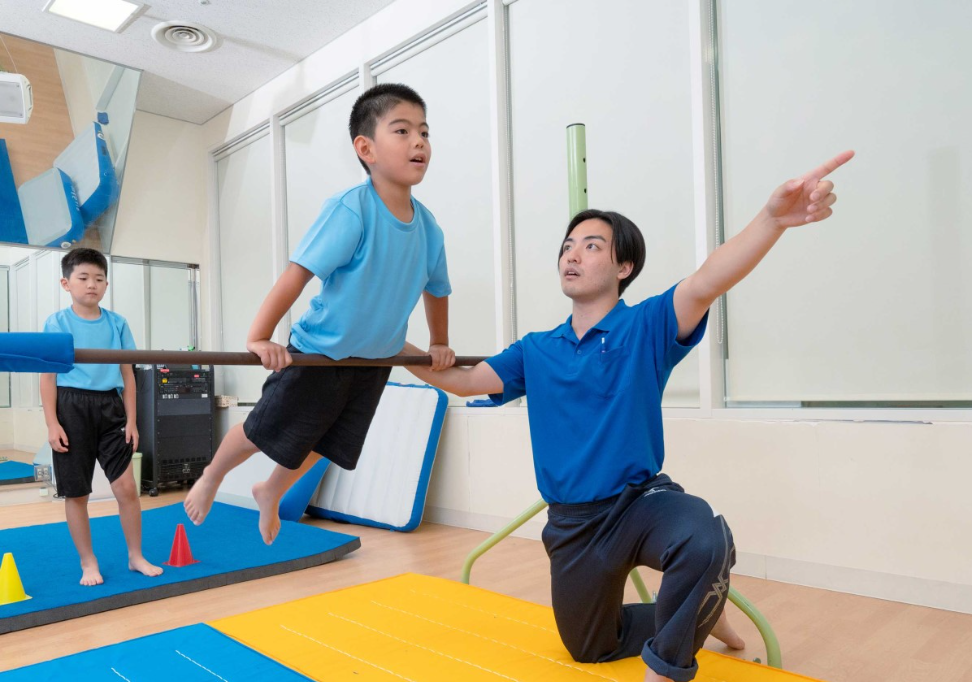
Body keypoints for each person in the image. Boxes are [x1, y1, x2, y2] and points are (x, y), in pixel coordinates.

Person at [402, 151, 854, 681]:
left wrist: (773, 219)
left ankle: (666, 667)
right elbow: (462, 379)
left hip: (641, 502)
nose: (572, 255)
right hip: (574, 524)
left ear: (623, 268)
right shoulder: (536, 350)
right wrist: (395, 344)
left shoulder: (647, 326)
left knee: (704, 537)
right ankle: (701, 617)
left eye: (591, 246)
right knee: (589, 648)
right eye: (568, 247)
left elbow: (709, 279)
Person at [185, 83, 455, 544]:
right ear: (365, 148)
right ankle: (211, 475)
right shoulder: (353, 209)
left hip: (373, 361)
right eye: (403, 130)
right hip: (319, 351)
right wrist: (260, 335)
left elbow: (438, 290)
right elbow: (297, 275)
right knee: (261, 431)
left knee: (327, 441)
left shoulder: (428, 228)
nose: (419, 142)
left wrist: (438, 342)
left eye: (424, 133)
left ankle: (270, 490)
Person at [41, 248, 164, 586]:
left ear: (106, 285)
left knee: (126, 486)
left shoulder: (117, 323)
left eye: (99, 279)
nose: (91, 285)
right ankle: (88, 562)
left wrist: (133, 421)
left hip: (110, 409)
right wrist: (52, 423)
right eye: (83, 278)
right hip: (71, 408)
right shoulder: (56, 323)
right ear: (67, 283)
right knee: (77, 493)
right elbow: (47, 377)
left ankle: (135, 556)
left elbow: (128, 376)